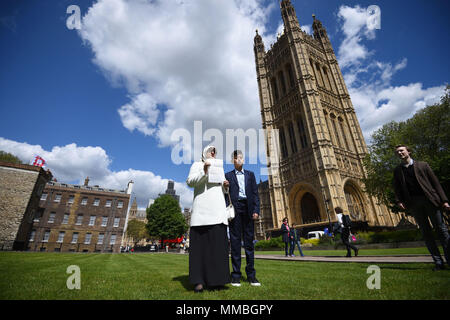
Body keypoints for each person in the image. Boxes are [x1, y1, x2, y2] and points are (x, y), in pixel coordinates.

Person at [393, 144, 450, 270]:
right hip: (414, 203)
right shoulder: (398, 170)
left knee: (442, 230)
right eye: (397, 152)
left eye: (402, 151)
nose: (400, 153)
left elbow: (435, 183)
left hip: (430, 200)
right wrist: (399, 201)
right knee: (426, 232)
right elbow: (397, 188)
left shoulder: (423, 165)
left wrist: (444, 200)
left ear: (408, 151)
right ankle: (438, 262)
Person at [186, 145, 231, 292]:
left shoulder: (219, 168)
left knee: (217, 248)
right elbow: (190, 182)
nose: (213, 153)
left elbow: (224, 190)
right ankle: (198, 280)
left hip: (217, 211)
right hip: (202, 212)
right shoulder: (197, 165)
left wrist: (226, 186)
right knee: (200, 249)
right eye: (210, 151)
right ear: (204, 153)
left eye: (214, 151)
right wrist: (204, 171)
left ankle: (217, 280)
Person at [225, 150, 261, 287]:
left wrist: (256, 210)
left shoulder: (250, 175)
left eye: (240, 157)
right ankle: (235, 276)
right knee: (235, 243)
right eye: (236, 158)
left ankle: (251, 276)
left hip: (248, 208)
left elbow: (255, 194)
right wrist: (224, 187)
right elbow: (224, 195)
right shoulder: (227, 176)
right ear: (232, 161)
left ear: (243, 160)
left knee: (249, 243)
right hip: (235, 208)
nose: (238, 159)